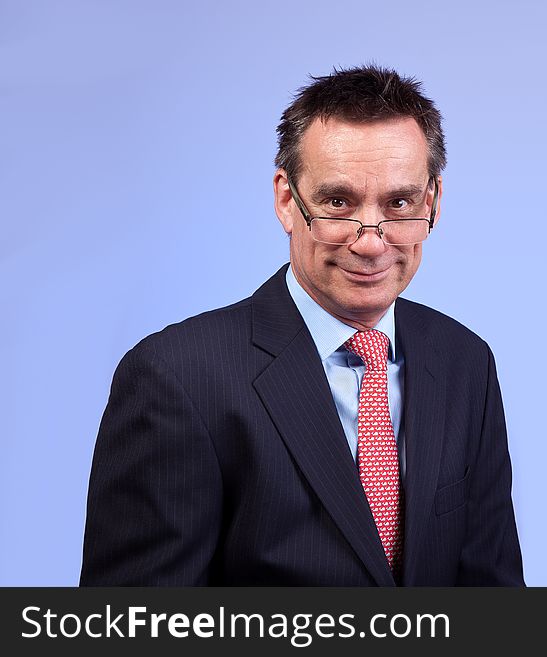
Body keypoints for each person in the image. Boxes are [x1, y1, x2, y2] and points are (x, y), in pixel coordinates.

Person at [80, 65, 524, 586]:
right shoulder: (177, 379)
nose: (371, 241)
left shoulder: (465, 362)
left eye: (399, 204)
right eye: (339, 202)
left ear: (434, 202)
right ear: (287, 201)